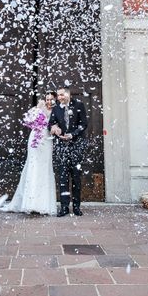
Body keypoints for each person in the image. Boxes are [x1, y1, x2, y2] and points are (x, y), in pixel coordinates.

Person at [0, 93, 57, 215]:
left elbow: (58, 124)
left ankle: (43, 203)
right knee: (33, 167)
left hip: (47, 141)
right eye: (47, 99)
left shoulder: (57, 111)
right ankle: (30, 203)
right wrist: (37, 110)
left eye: (52, 99)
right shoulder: (39, 108)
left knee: (44, 168)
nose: (49, 101)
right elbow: (29, 121)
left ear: (55, 100)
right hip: (35, 139)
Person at [48, 87, 88, 217]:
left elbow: (84, 124)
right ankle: (64, 207)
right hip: (61, 148)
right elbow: (50, 124)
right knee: (63, 178)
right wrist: (54, 128)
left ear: (68, 94)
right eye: (58, 96)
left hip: (76, 146)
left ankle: (76, 207)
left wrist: (72, 135)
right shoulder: (56, 108)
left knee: (76, 177)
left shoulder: (79, 105)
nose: (59, 97)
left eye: (61, 95)